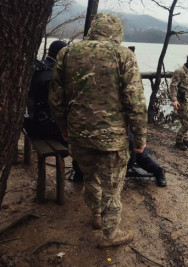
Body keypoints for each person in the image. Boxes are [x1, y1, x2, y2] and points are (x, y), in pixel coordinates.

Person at [49, 13, 147, 248]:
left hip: (79, 135)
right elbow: (135, 101)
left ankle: (95, 216)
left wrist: (64, 128)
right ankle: (110, 235)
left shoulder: (67, 53)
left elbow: (56, 98)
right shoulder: (124, 55)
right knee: (113, 188)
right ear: (116, 32)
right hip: (111, 140)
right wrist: (140, 136)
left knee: (90, 177)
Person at [24, 40, 84, 182]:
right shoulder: (53, 76)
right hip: (42, 128)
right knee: (81, 140)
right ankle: (80, 176)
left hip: (29, 123)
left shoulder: (38, 67)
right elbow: (60, 106)